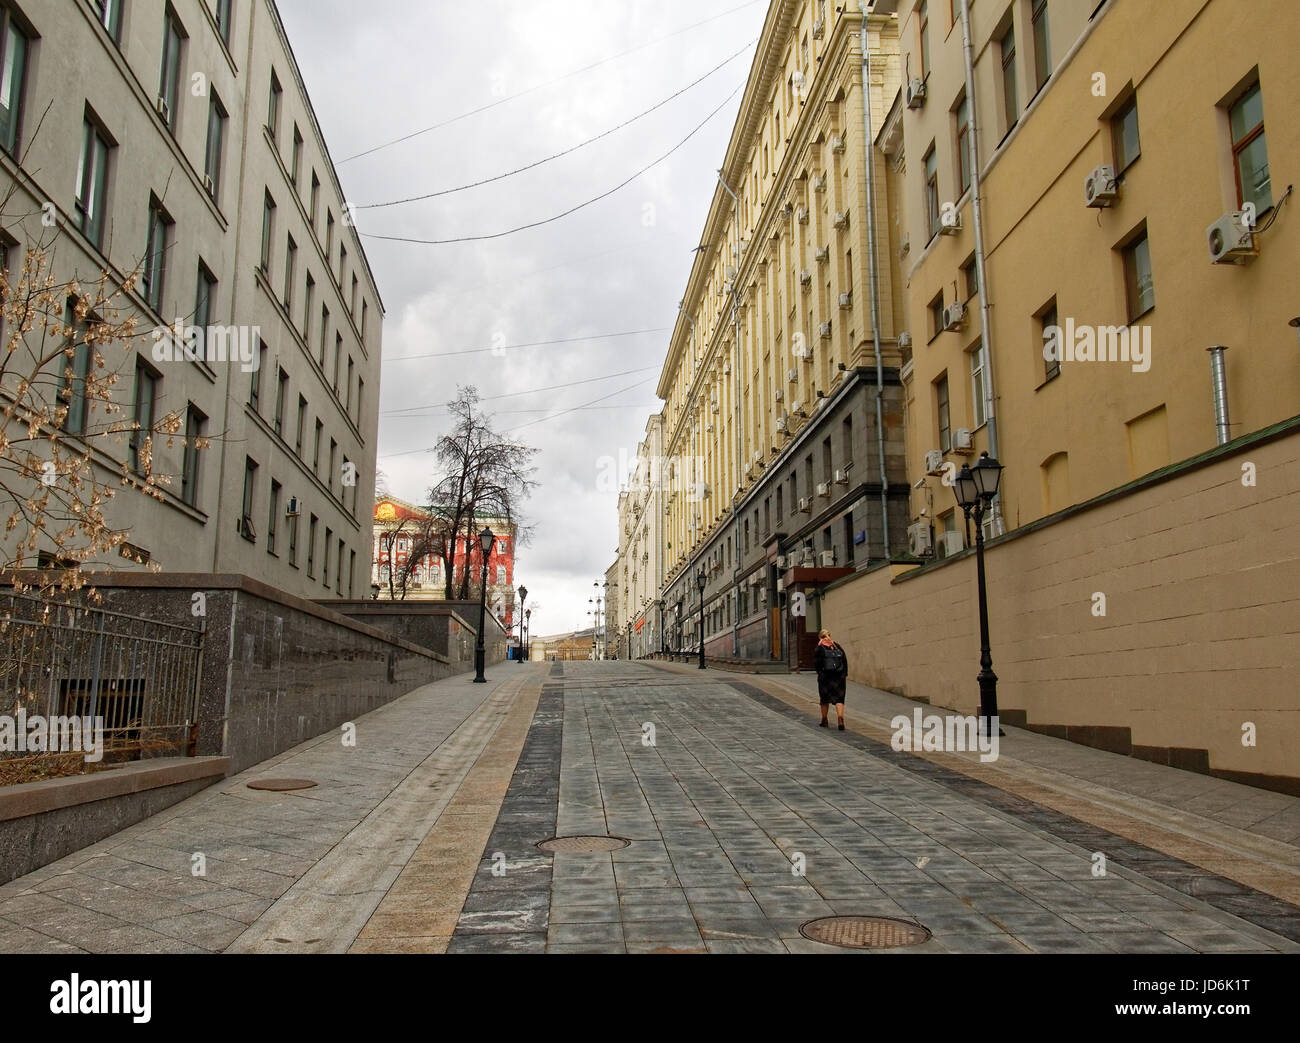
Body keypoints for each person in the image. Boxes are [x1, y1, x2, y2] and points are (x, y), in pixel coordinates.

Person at [813, 629, 849, 730]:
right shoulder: (837, 646)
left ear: (820, 637)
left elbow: (816, 663)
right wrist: (844, 674)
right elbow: (844, 660)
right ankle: (840, 719)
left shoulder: (819, 648)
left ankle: (824, 720)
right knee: (839, 698)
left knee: (824, 699)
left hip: (825, 677)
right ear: (829, 636)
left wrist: (820, 674)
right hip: (839, 677)